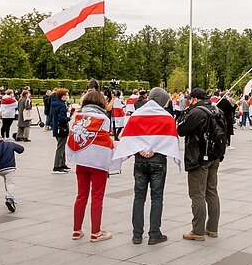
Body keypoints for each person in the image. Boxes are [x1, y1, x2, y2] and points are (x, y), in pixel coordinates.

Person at [112, 87, 181, 245]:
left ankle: (137, 234)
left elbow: (129, 137)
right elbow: (171, 139)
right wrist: (154, 149)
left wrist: (141, 149)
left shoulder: (136, 115)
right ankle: (154, 233)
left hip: (139, 160)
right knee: (157, 198)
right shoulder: (167, 117)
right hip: (158, 161)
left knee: (138, 197)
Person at [67, 90, 116, 242]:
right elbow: (105, 140)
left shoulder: (77, 116)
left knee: (81, 195)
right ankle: (96, 232)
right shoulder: (103, 118)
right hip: (98, 161)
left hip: (81, 160)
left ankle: (76, 230)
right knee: (97, 196)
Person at [177, 87, 221, 241]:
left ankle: (198, 231)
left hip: (199, 158)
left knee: (197, 194)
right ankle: (212, 228)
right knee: (212, 192)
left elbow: (181, 129)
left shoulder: (197, 112)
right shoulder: (216, 109)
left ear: (195, 99)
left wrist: (185, 112)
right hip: (215, 157)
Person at [0, 131, 24, 212]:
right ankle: (10, 198)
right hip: (10, 168)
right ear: (1, 136)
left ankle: (8, 194)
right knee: (10, 183)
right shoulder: (10, 144)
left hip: (0, 170)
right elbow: (21, 149)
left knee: (6, 181)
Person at [51, 88, 71, 174]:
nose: (67, 96)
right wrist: (68, 118)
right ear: (62, 96)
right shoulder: (62, 105)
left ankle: (62, 164)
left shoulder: (55, 104)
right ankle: (57, 166)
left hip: (57, 127)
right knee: (60, 147)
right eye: (66, 95)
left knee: (61, 146)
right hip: (62, 128)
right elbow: (62, 118)